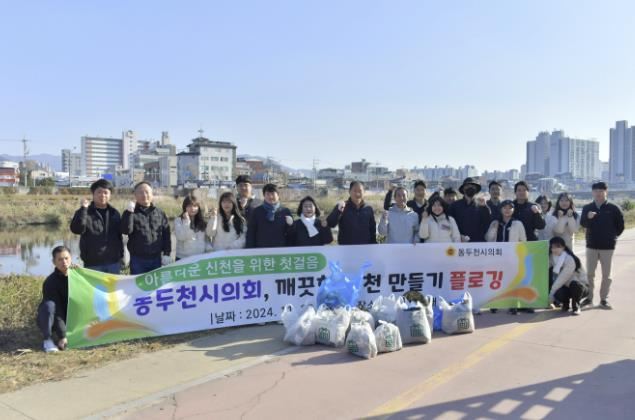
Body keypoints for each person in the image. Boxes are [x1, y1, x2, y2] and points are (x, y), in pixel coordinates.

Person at [580, 181, 625, 309]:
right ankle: (588, 298)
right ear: (592, 193)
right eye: (596, 191)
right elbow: (583, 224)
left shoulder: (614, 208)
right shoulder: (587, 208)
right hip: (591, 245)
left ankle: (604, 299)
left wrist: (612, 237)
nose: (598, 194)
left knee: (607, 275)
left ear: (606, 192)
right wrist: (588, 218)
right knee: (589, 274)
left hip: (608, 247)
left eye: (601, 191)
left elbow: (620, 226)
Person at [70, 179, 123, 274]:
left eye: (106, 192)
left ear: (110, 195)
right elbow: (76, 229)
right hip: (93, 264)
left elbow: (120, 236)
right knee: (95, 289)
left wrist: (120, 256)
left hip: (113, 262)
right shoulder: (85, 212)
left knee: (113, 289)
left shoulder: (115, 213)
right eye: (99, 192)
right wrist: (83, 210)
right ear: (93, 194)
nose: (102, 195)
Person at [121, 182, 172, 274]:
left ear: (152, 194)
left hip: (156, 258)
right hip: (138, 259)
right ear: (135, 195)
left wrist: (167, 253)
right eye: (140, 192)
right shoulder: (130, 212)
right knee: (138, 286)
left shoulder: (159, 213)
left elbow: (166, 234)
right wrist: (129, 213)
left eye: (147, 192)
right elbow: (126, 230)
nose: (144, 195)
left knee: (157, 285)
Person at [37, 246, 73, 353]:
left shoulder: (77, 276)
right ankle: (47, 340)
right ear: (54, 262)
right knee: (49, 306)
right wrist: (63, 336)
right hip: (55, 317)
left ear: (71, 258)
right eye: (60, 259)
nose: (64, 262)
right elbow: (57, 311)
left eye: (66, 258)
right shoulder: (50, 282)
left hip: (71, 315)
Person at [327, 181, 377, 245]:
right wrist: (338, 211)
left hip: (365, 248)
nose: (357, 193)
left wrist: (373, 244)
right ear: (349, 192)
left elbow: (372, 229)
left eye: (360, 191)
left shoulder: (368, 208)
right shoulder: (342, 206)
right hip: (346, 249)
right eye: (355, 191)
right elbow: (330, 224)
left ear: (364, 192)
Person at [549, 237, 589, 315]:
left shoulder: (569, 259)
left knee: (575, 285)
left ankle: (576, 306)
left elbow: (562, 278)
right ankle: (565, 303)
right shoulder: (552, 257)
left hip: (581, 286)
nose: (555, 249)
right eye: (552, 247)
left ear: (563, 247)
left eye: (558, 246)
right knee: (558, 293)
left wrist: (551, 294)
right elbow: (544, 266)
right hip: (566, 286)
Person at [246, 184, 293, 248]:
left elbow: (291, 234)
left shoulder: (285, 211)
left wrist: (290, 225)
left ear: (278, 195)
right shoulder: (257, 211)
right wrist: (250, 249)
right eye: (267, 194)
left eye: (273, 194)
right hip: (261, 250)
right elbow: (251, 232)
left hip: (281, 250)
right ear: (264, 196)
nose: (270, 197)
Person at [448, 178, 491, 242]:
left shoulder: (482, 205)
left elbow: (488, 222)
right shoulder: (454, 206)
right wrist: (459, 236)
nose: (470, 187)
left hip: (478, 243)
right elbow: (450, 224)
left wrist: (485, 207)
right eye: (467, 186)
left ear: (476, 189)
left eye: (472, 186)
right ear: (463, 189)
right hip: (460, 242)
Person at [174, 195, 208, 260]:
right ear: (185, 207)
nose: (192, 208)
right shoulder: (178, 220)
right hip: (183, 258)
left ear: (198, 207)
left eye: (195, 206)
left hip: (200, 257)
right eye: (189, 206)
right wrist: (187, 221)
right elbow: (181, 237)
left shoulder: (202, 222)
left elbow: (206, 240)